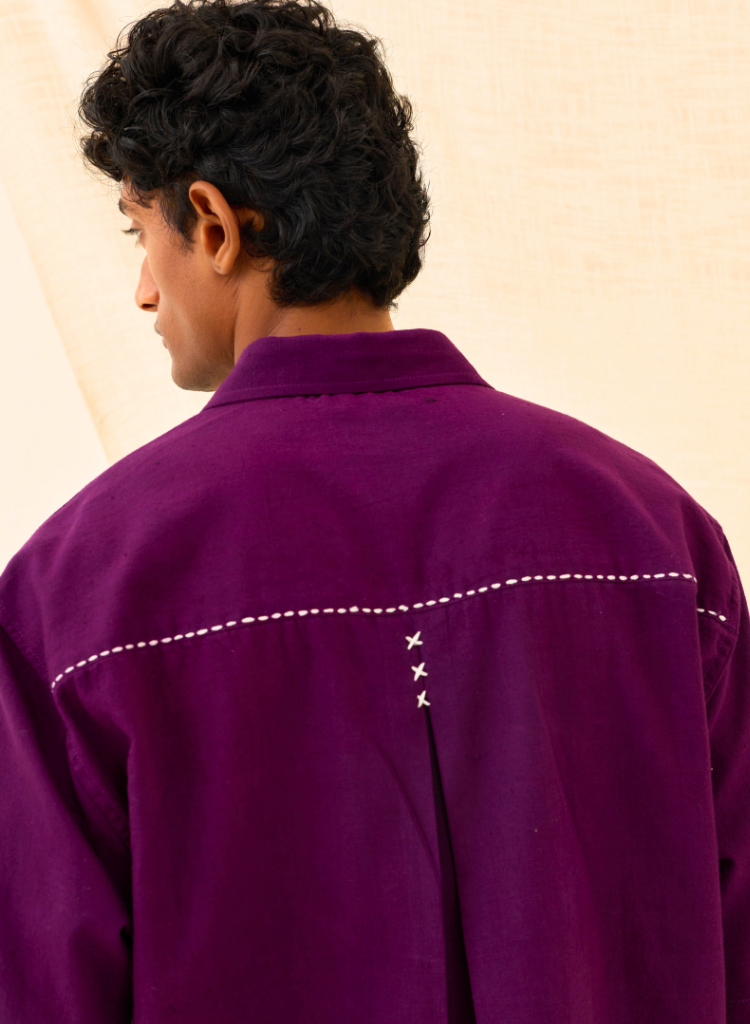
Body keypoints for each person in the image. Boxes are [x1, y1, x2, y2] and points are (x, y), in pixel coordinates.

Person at [0, 0, 748, 1020]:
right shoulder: (655, 539)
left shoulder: (77, 594)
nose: (141, 291)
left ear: (213, 225)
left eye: (142, 234)